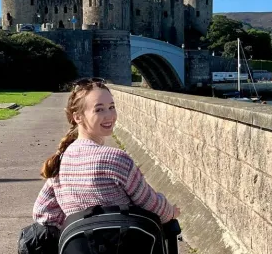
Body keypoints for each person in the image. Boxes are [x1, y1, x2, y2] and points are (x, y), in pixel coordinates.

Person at [33, 78, 181, 232]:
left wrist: (79, 226)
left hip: (83, 253)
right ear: (78, 117)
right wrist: (170, 211)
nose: (109, 115)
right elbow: (153, 207)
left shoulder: (62, 160)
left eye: (111, 107)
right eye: (99, 109)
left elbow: (42, 212)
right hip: (127, 249)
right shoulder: (115, 159)